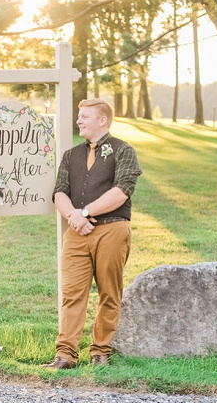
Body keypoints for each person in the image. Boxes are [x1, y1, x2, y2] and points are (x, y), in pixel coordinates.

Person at [42, 98, 142, 369]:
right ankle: (65, 354)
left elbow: (121, 191)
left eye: (85, 116)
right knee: (72, 292)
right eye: (79, 116)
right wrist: (74, 217)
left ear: (102, 120)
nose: (79, 121)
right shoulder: (71, 155)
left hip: (112, 229)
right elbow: (60, 191)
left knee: (109, 292)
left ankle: (101, 351)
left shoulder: (124, 150)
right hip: (76, 233)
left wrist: (83, 213)